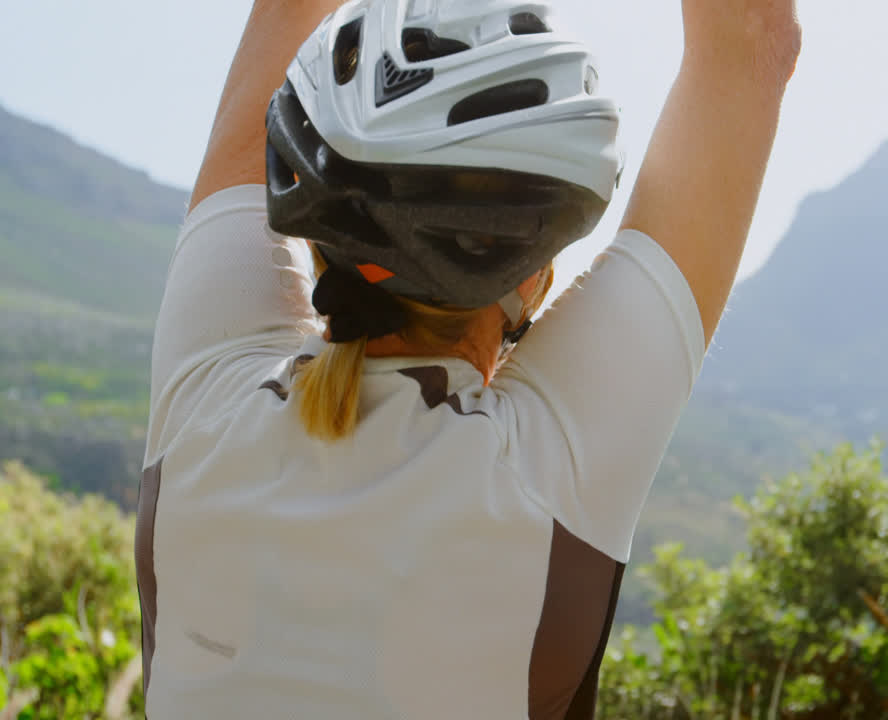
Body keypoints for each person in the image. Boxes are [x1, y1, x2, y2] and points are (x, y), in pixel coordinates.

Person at [135, 0, 800, 717]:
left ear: (313, 225)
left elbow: (283, 13)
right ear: (531, 281)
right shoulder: (540, 476)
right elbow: (754, 38)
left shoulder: (206, 400)